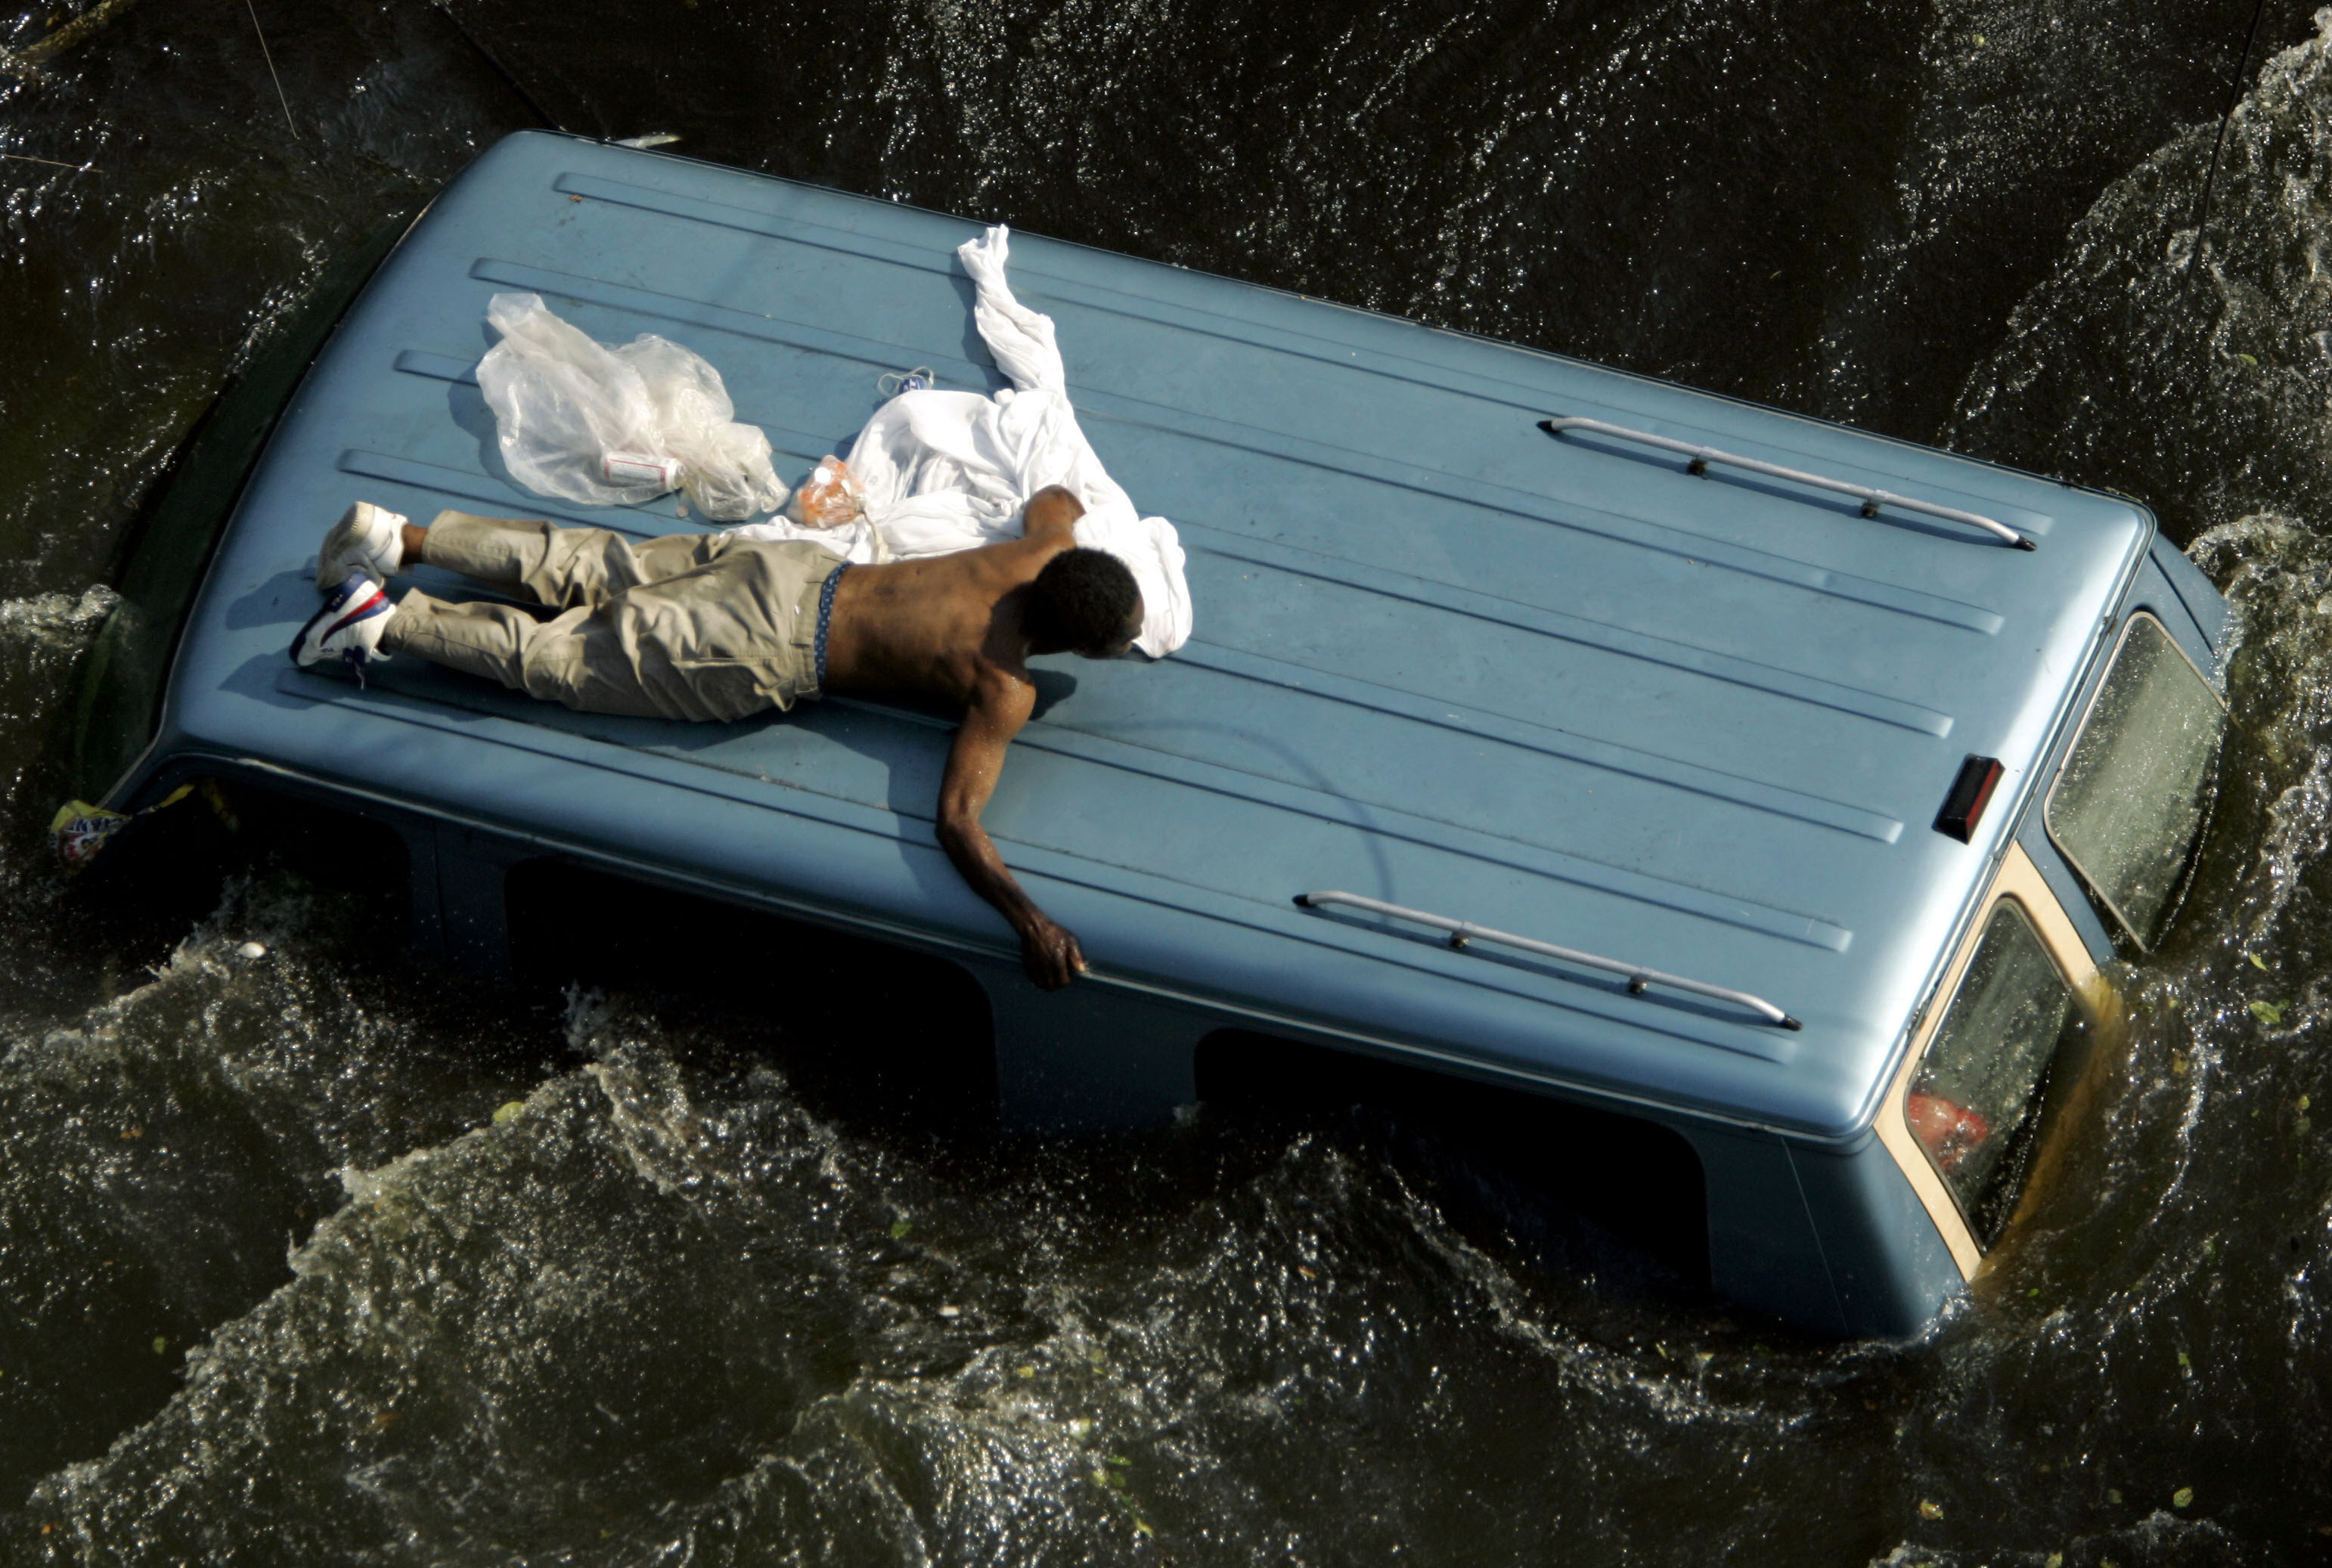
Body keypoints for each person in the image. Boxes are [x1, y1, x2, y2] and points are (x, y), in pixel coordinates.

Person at [290, 490, 1141, 989]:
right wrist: (1031, 920)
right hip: (760, 648)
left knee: (599, 561)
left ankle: (400, 538)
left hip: (789, 568)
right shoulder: (1003, 686)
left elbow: (1057, 495)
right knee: (571, 661)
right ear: (1071, 644)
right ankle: (385, 623)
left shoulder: (1043, 550)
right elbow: (958, 821)